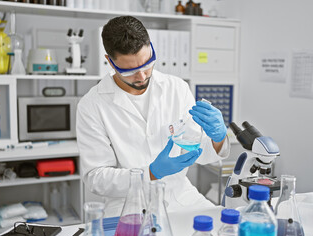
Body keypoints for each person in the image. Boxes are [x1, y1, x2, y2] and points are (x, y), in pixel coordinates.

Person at [76, 16, 230, 217]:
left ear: (152, 48)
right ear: (110, 62)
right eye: (130, 70)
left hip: (180, 197)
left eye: (147, 63)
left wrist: (218, 139)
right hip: (128, 206)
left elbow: (195, 150)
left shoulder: (177, 88)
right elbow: (96, 178)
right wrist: (150, 173)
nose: (142, 76)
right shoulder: (91, 105)